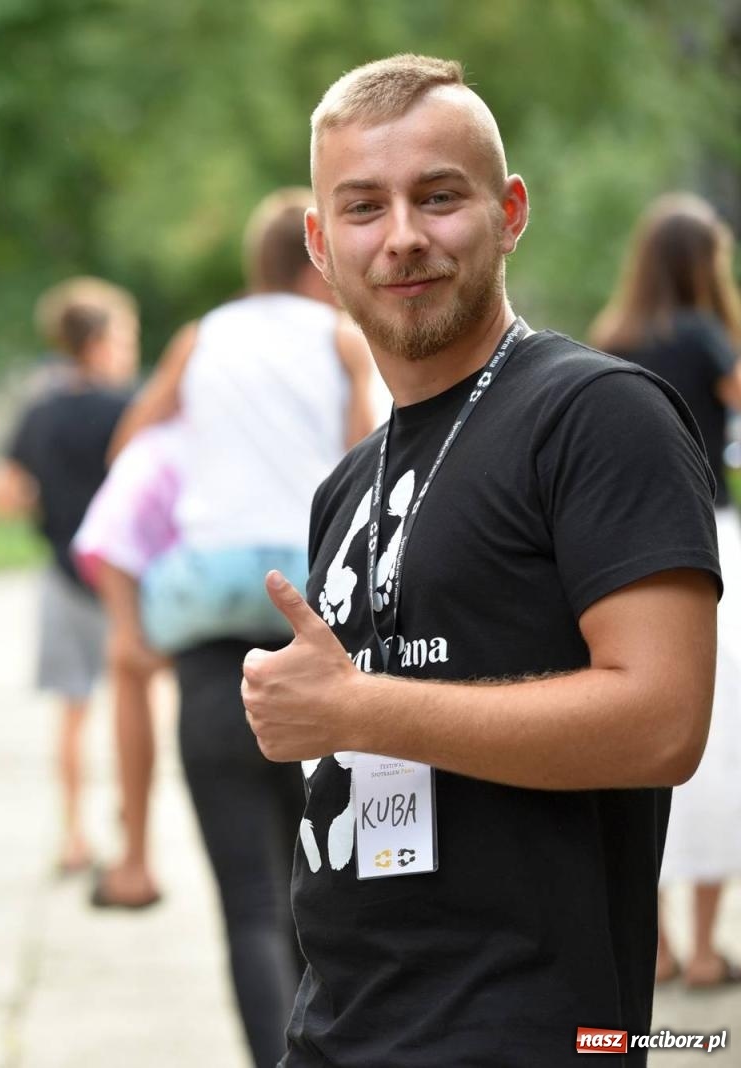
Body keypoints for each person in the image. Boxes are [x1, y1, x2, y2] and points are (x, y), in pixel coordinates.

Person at [241, 54, 721, 1066]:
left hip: (537, 1034)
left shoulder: (599, 417)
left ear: (508, 212)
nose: (403, 236)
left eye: (438, 196)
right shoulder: (350, 481)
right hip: (339, 1030)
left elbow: (663, 720)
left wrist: (359, 706)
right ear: (321, 247)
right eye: (363, 208)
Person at [97, 189, 375, 1067]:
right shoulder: (339, 336)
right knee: (328, 893)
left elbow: (131, 444)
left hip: (215, 641)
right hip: (316, 629)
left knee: (250, 902)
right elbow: (373, 450)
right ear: (317, 257)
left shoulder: (202, 337)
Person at [592, 192, 741, 991]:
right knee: (711, 742)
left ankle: (649, 944)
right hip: (708, 537)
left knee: (634, 737)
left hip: (618, 552)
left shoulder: (611, 340)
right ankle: (710, 946)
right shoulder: (707, 337)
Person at [0, 277, 144, 892]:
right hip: (126, 580)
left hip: (63, 574)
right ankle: (133, 833)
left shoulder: (41, 411)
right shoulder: (131, 408)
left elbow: (4, 493)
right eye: (126, 337)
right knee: (137, 704)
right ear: (101, 342)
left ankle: (75, 836)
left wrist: (46, 502)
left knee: (73, 712)